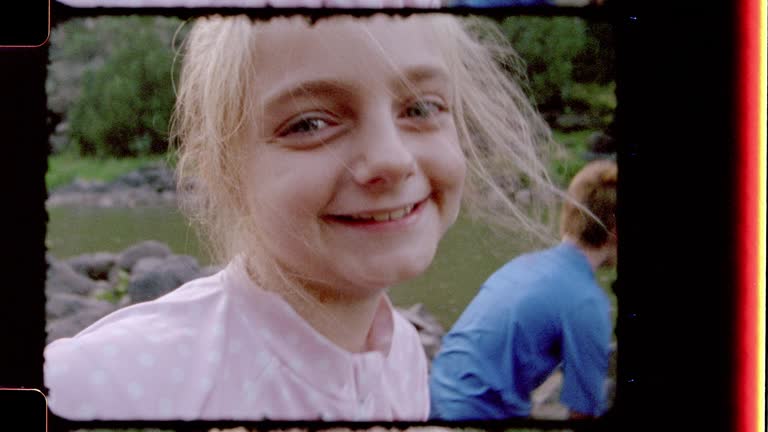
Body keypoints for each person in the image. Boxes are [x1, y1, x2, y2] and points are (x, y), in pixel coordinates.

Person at [44, 12, 562, 421]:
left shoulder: (401, 353)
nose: (391, 157)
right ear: (221, 168)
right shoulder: (115, 382)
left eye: (421, 109)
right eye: (311, 122)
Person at [429, 159, 618, 420]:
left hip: (434, 394)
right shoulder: (587, 301)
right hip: (473, 415)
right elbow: (583, 412)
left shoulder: (523, 265)